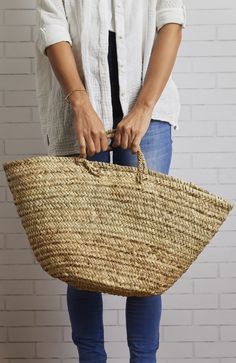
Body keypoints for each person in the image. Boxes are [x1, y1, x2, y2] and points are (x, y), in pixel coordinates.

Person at [35, 1, 187, 362]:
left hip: (149, 113)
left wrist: (145, 107)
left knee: (145, 255)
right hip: (79, 116)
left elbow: (171, 22)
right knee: (82, 254)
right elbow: (52, 28)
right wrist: (80, 103)